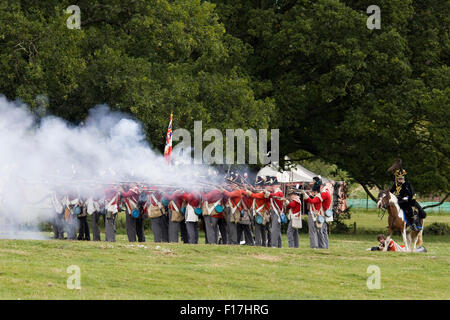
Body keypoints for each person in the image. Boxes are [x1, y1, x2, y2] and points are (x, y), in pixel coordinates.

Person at [303, 177, 331, 249]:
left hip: (323, 214)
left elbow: (314, 200)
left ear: (321, 186)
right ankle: (324, 246)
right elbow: (316, 198)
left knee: (321, 232)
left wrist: (308, 196)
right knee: (322, 232)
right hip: (323, 213)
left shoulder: (324, 193)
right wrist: (311, 195)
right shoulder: (324, 192)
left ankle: (322, 246)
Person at [267, 183, 284, 248]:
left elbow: (277, 195)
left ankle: (273, 245)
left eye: (273, 185)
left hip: (277, 212)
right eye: (272, 185)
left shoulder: (279, 192)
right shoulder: (274, 192)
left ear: (278, 185)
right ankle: (279, 245)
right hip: (274, 212)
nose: (272, 187)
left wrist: (268, 193)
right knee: (277, 229)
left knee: (274, 229)